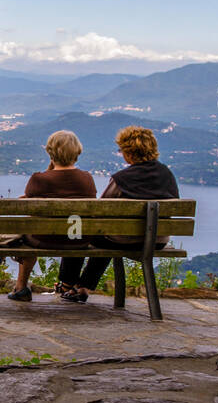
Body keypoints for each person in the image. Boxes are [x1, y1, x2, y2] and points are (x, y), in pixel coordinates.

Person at [60, 125, 179, 303]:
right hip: (156, 240)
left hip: (124, 238)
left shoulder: (121, 179)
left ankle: (68, 284)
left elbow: (100, 213)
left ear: (129, 153)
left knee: (79, 232)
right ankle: (83, 287)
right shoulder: (167, 175)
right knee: (112, 235)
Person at [3, 130, 97, 302]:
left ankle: (21, 287)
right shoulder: (87, 179)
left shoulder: (39, 179)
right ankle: (70, 285)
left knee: (28, 229)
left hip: (43, 239)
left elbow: (29, 211)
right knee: (65, 229)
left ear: (50, 152)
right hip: (77, 238)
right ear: (77, 152)